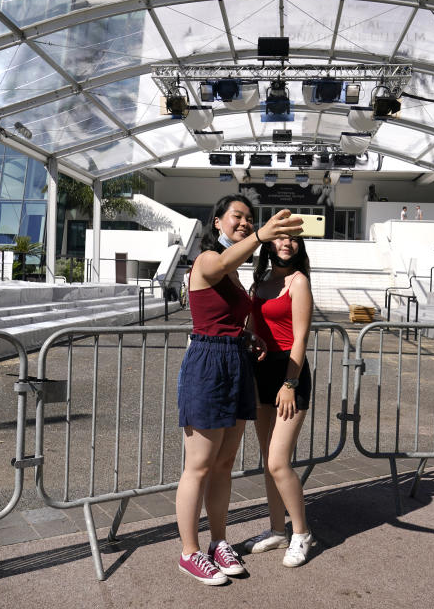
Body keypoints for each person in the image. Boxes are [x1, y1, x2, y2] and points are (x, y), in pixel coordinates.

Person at [176, 194, 303, 586]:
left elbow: (231, 315)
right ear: (217, 222)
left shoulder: (234, 273)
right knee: (197, 466)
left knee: (225, 464)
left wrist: (250, 337)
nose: (245, 222)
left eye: (250, 218)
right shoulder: (209, 260)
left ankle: (218, 542)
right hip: (207, 365)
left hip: (236, 362)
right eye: (237, 217)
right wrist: (263, 234)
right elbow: (222, 266)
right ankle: (189, 552)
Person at [245, 234, 315, 567]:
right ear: (269, 245)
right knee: (267, 461)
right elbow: (254, 324)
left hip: (290, 373)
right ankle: (277, 530)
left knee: (277, 461)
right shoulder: (261, 280)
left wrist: (290, 383)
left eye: (293, 239)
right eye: (280, 238)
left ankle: (300, 532)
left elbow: (300, 337)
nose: (287, 243)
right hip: (262, 372)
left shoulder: (298, 282)